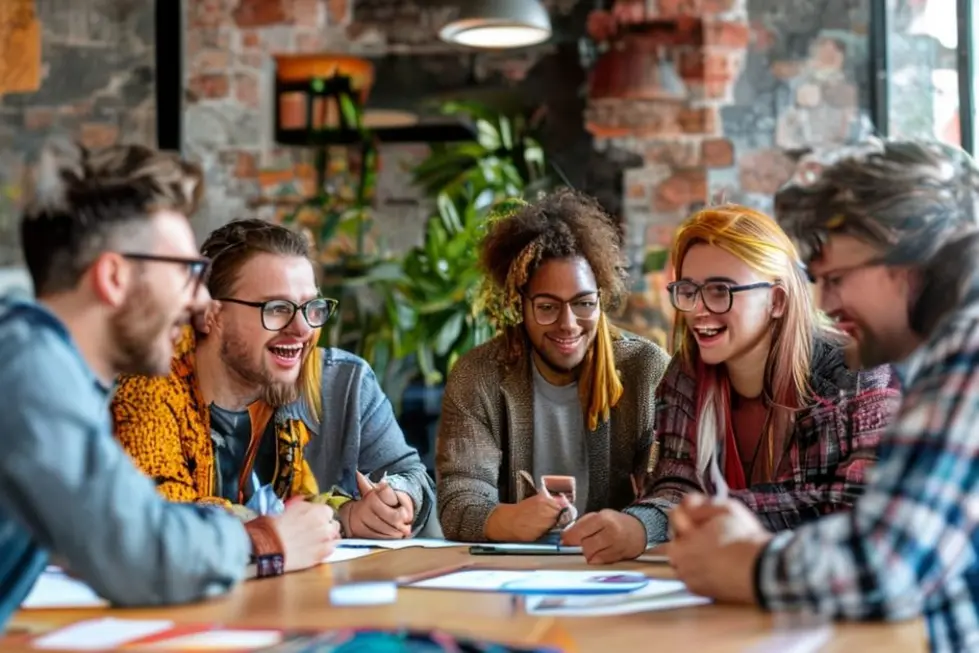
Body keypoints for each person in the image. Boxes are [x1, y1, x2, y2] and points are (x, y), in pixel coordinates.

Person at [0, 141, 339, 629]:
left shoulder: (46, 370)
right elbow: (141, 552)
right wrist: (268, 541)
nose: (203, 301)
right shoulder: (28, 368)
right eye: (186, 272)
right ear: (114, 277)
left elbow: (109, 530)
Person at [665, 139, 979, 652]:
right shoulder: (937, 359)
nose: (827, 303)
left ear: (910, 252)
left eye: (836, 279)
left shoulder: (968, 351)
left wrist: (744, 562)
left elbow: (886, 564)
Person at [608, 205, 900, 561]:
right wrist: (640, 524)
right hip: (717, 584)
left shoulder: (858, 373)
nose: (699, 309)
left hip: (817, 589)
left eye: (719, 290)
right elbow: (677, 483)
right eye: (688, 290)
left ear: (776, 300)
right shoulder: (685, 375)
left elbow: (851, 504)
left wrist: (716, 512)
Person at [112, 218, 435, 539]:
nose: (304, 329)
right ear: (211, 314)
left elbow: (413, 478)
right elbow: (162, 518)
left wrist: (395, 498)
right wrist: (322, 521)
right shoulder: (149, 383)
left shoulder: (344, 382)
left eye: (311, 307)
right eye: (277, 308)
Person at [436, 188, 671, 557]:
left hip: (613, 569)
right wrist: (508, 520)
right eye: (547, 307)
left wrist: (638, 525)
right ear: (520, 304)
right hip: (510, 577)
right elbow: (458, 498)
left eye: (583, 304)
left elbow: (674, 491)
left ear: (601, 298)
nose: (568, 324)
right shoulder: (479, 376)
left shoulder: (645, 369)